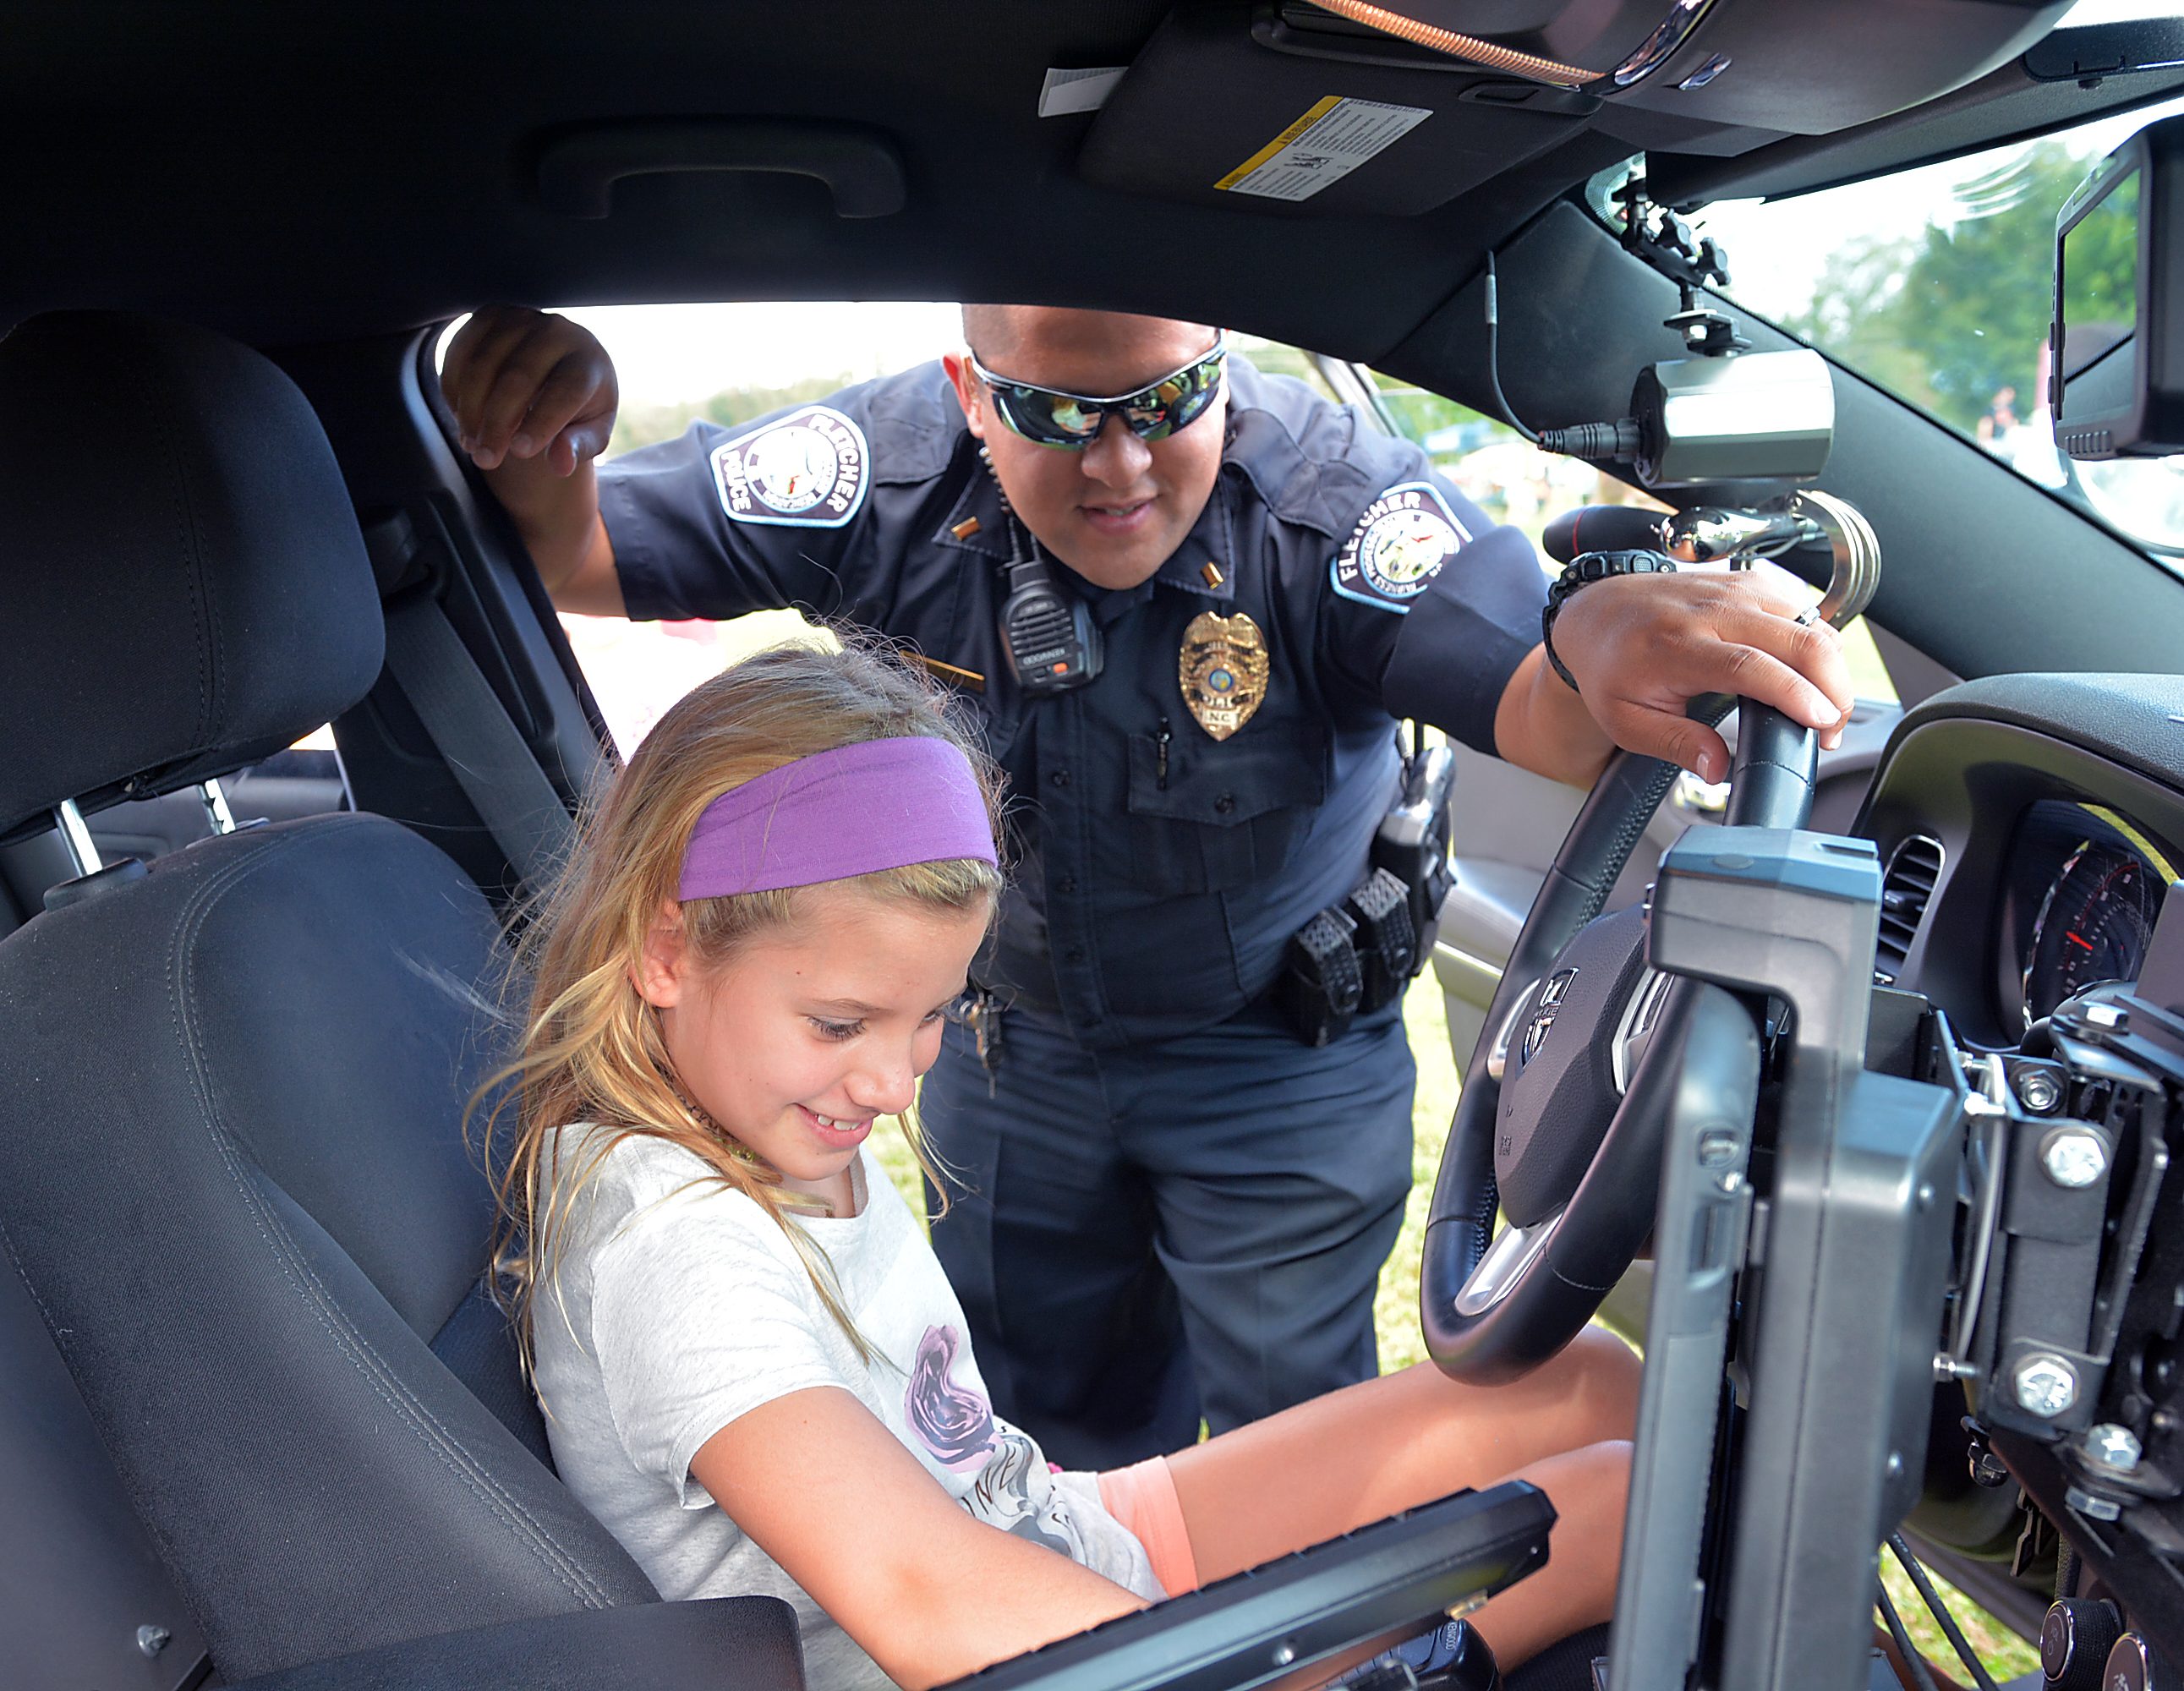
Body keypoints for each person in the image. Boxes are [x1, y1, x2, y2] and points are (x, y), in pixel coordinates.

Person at [444, 303, 1853, 1467]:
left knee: (1298, 1449)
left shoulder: (1332, 500)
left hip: (1275, 1066)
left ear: (1224, 369)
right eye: (1057, 416)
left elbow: (1538, 693)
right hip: (1010, 1062)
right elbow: (575, 554)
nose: (1117, 466)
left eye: (1166, 402)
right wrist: (544, 435)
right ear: (969, 393)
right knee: (1034, 1431)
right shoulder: (872, 475)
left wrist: (1598, 633)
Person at [480, 643, 1639, 1691]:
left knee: (1580, 1377)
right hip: (1031, 1656)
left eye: (936, 1015)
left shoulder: (758, 1114)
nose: (894, 1083)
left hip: (1060, 1532)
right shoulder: (672, 1245)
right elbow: (922, 1595)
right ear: (666, 954)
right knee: (1620, 1509)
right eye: (841, 1024)